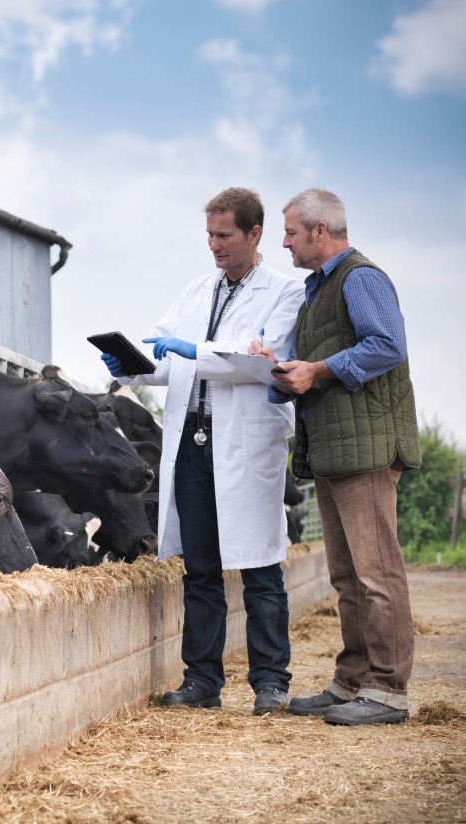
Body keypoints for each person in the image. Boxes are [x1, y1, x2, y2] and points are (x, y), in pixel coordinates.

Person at [101, 187, 305, 714]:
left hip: (245, 443)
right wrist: (137, 367)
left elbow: (262, 363)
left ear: (254, 234)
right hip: (193, 441)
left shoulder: (286, 294)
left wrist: (199, 351)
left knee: (261, 565)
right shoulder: (197, 290)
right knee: (201, 566)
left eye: (224, 235)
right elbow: (168, 356)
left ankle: (270, 682)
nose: (214, 245)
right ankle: (202, 681)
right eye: (209, 235)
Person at [251, 188, 421, 726]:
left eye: (291, 233)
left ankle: (388, 690)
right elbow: (318, 367)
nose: (284, 243)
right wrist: (282, 370)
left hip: (367, 450)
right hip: (334, 450)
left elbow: (387, 345)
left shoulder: (360, 278)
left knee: (377, 574)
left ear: (319, 231)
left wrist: (318, 370)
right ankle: (353, 681)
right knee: (347, 576)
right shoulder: (316, 291)